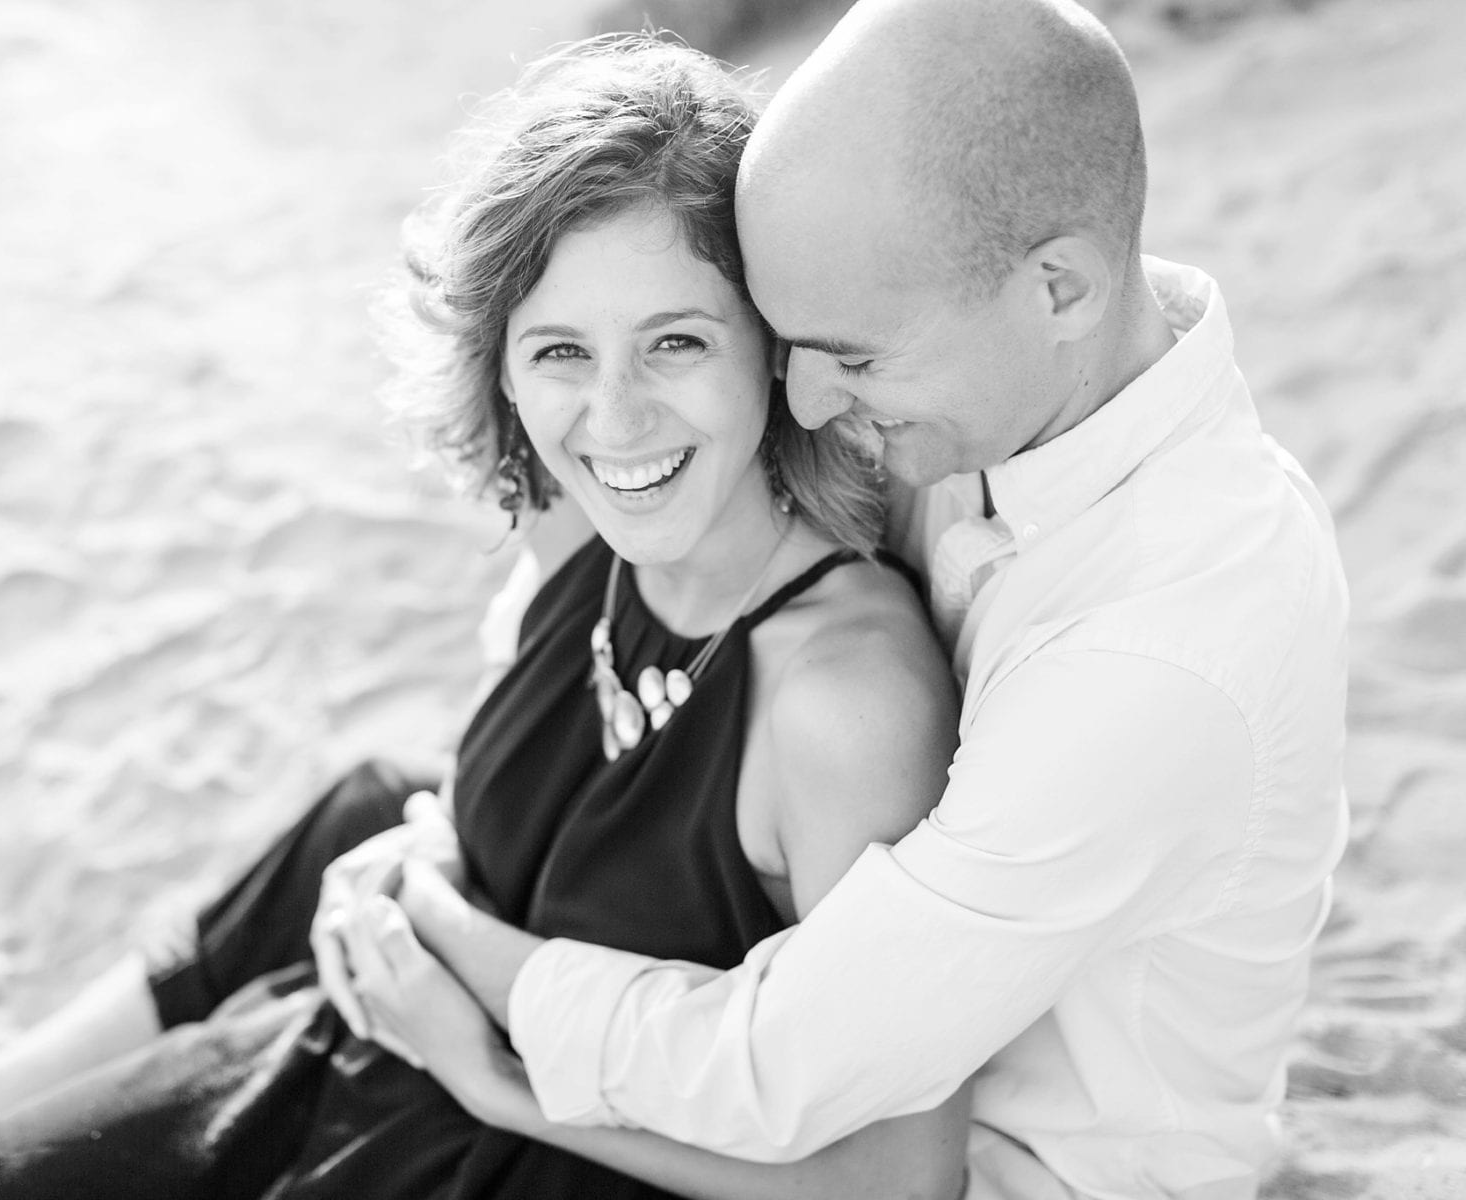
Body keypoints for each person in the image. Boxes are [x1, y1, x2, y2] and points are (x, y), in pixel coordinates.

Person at [0, 34, 974, 1200]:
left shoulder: (842, 698)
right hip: (341, 1060)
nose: (616, 420)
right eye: (560, 350)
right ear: (503, 368)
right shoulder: (579, 524)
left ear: (772, 348)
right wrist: (426, 861)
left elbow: (892, 1174)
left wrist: (495, 1072)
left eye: (675, 342)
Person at [356, 1, 1351, 1197]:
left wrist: (458, 955)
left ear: (1061, 290)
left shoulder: (1162, 655)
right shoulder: (1007, 371)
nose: (811, 403)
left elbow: (787, 1061)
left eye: (857, 359)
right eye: (792, 346)